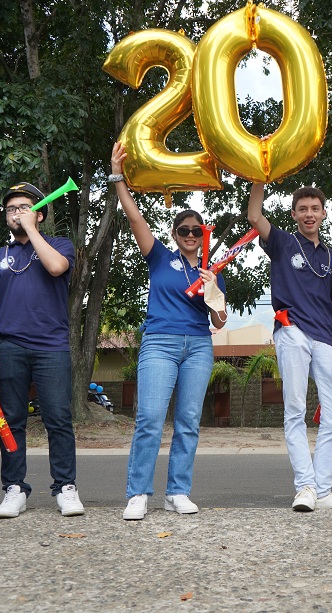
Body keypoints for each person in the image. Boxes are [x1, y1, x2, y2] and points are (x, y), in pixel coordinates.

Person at [111, 142, 227, 520]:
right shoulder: (160, 256)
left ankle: (177, 491)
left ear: (203, 233)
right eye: (184, 230)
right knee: (149, 418)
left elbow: (220, 322)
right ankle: (138, 493)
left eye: (196, 230)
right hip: (160, 342)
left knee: (189, 421)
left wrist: (213, 292)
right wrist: (117, 177)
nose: (190, 234)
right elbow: (134, 219)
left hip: (198, 344)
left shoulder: (212, 271)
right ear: (175, 233)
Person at [247, 182, 332, 511]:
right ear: (294, 214)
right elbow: (255, 215)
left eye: (315, 209)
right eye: (303, 209)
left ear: (324, 214)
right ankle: (305, 488)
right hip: (291, 330)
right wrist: (259, 179)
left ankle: (323, 491)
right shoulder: (283, 242)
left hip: (325, 338)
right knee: (295, 411)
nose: (309, 214)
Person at [0, 182, 84, 518]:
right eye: (11, 209)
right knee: (11, 421)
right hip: (9, 346)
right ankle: (14, 488)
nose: (16, 213)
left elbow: (56, 268)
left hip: (51, 346)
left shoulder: (59, 245)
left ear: (39, 214)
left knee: (58, 418)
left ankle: (65, 487)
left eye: (24, 208)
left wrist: (31, 230)